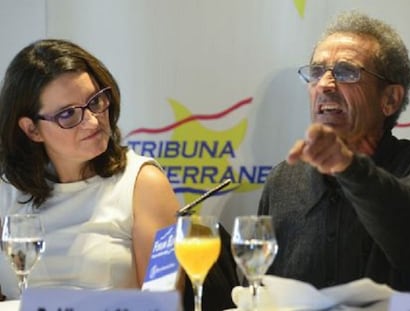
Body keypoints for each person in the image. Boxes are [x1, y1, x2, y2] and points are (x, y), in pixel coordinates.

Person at [0, 39, 239, 310]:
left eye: (95, 101)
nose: (92, 120)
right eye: (68, 114)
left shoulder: (143, 182)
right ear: (31, 129)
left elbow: (161, 304)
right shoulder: (6, 191)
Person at [258, 11, 410, 291]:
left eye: (345, 72)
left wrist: (349, 167)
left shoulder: (409, 165)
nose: (325, 85)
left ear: (389, 99)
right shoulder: (283, 180)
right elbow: (258, 285)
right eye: (317, 72)